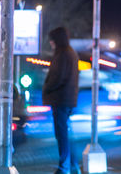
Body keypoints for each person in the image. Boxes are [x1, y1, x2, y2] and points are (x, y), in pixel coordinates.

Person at [42, 27, 80, 174]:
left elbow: (57, 78)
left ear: (57, 40)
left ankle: (65, 167)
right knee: (66, 134)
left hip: (60, 99)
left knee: (62, 135)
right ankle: (72, 166)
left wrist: (46, 88)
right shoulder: (70, 53)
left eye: (52, 40)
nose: (51, 43)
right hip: (67, 99)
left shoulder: (63, 54)